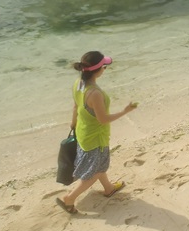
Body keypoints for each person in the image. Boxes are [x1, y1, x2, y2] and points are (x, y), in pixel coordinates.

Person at [56, 51, 138, 214]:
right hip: (95, 137)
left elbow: (75, 106)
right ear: (98, 70)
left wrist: (73, 123)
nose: (105, 69)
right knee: (95, 171)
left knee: (98, 164)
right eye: (104, 67)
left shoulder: (78, 83)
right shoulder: (95, 93)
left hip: (82, 131)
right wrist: (125, 111)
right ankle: (70, 198)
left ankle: (108, 188)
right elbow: (103, 119)